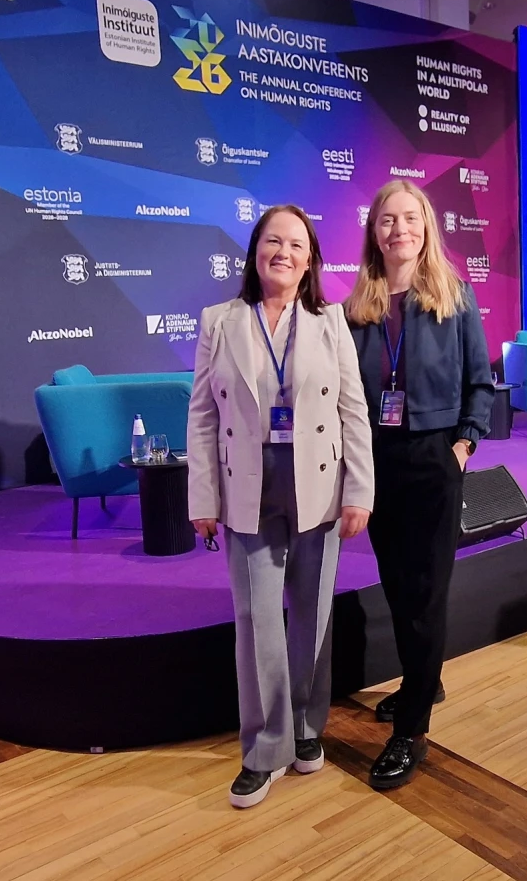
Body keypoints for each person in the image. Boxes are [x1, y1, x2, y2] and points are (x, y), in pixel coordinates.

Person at [187, 204, 374, 809]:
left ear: (310, 258)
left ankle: (306, 726)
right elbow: (202, 417)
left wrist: (360, 490)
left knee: (312, 614)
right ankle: (265, 748)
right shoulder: (219, 321)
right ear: (255, 251)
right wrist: (202, 496)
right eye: (273, 241)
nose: (284, 253)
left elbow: (353, 411)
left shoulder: (330, 321)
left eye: (297, 244)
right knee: (257, 620)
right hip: (247, 488)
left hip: (318, 486)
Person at [345, 180, 494, 790]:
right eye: (387, 220)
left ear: (426, 227)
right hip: (378, 460)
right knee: (400, 586)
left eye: (409, 218)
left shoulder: (454, 297)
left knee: (428, 591)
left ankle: (411, 730)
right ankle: (421, 682)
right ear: (374, 233)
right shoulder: (357, 308)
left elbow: (481, 382)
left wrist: (463, 446)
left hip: (435, 458)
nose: (399, 229)